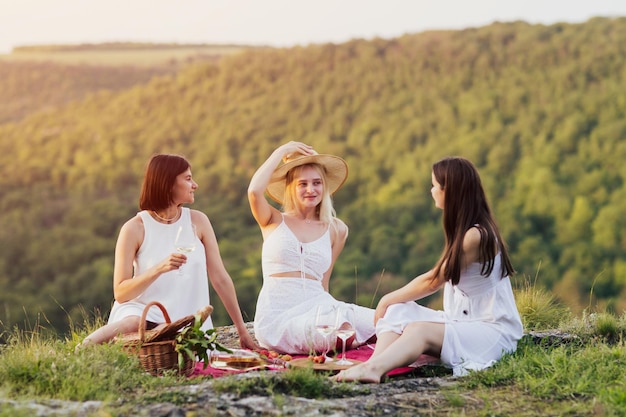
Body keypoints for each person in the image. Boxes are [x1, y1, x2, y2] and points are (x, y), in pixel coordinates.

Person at [333, 157, 523, 382]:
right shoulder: (465, 230)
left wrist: (385, 299)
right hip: (463, 322)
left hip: (492, 334)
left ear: (448, 191)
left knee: (418, 329)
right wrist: (392, 302)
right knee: (398, 310)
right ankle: (374, 364)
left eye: (434, 185)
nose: (431, 190)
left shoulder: (476, 236)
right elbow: (432, 276)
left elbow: (433, 281)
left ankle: (374, 370)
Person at [79, 154, 257, 350]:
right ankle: (82, 349)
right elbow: (121, 293)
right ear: (168, 184)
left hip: (184, 321)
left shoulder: (198, 221)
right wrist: (159, 268)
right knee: (134, 322)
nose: (195, 185)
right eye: (188, 179)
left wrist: (242, 330)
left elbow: (220, 278)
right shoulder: (134, 228)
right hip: (142, 315)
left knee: (175, 336)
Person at [248, 141, 376, 354]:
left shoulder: (337, 229)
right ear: (291, 187)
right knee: (336, 332)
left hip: (319, 306)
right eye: (302, 184)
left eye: (317, 183)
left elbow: (323, 282)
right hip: (279, 315)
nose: (311, 189)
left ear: (324, 186)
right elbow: (254, 191)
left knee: (387, 319)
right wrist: (281, 151)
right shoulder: (272, 219)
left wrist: (335, 312)